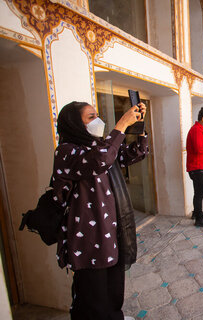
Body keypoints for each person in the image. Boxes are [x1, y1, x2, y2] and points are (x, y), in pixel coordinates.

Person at [52, 101, 148, 320]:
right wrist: (121, 124)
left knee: (113, 290)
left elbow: (134, 154)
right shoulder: (67, 152)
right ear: (75, 123)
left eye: (97, 115)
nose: (98, 120)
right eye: (90, 116)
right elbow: (100, 159)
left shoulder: (100, 147)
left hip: (110, 232)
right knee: (93, 299)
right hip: (87, 238)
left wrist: (139, 130)